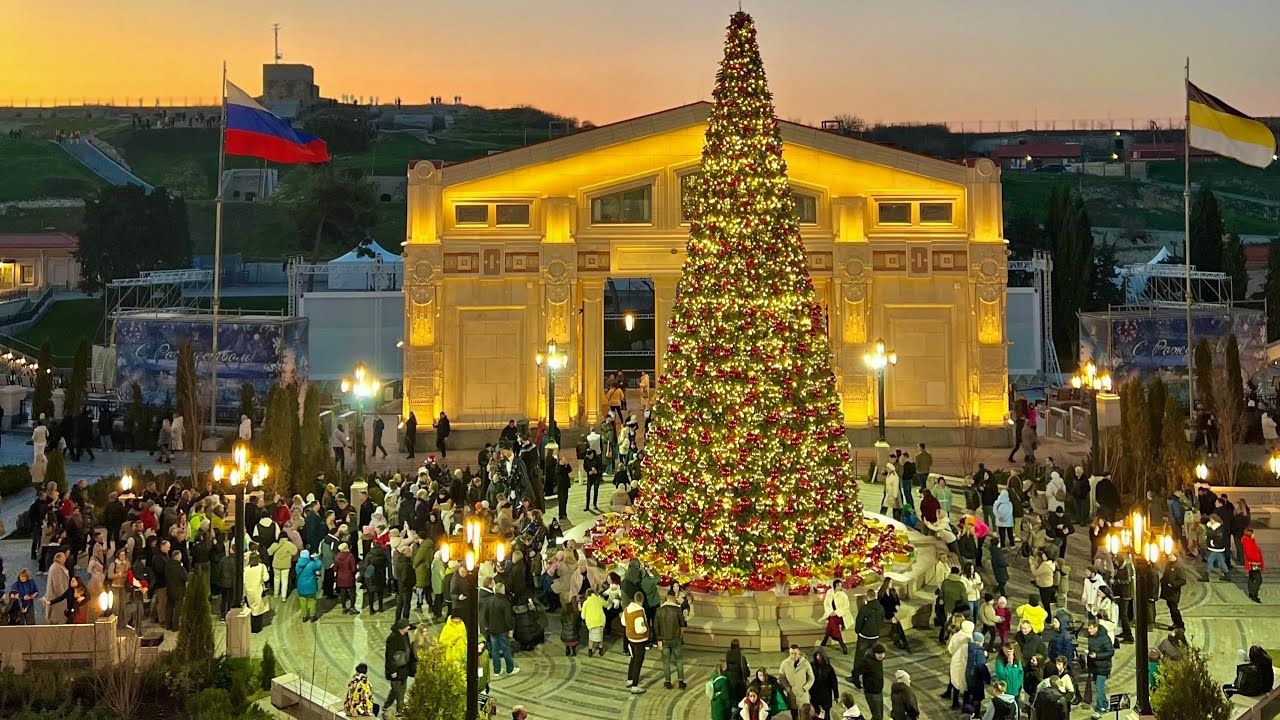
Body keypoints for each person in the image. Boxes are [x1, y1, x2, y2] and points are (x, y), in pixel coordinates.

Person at [384, 619, 416, 717]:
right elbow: (389, 656)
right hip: (396, 668)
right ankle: (399, 710)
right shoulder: (392, 638)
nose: (408, 628)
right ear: (402, 628)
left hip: (404, 667)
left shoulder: (404, 634)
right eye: (407, 626)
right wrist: (392, 670)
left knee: (398, 690)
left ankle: (387, 704)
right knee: (398, 690)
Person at [1085, 621, 1113, 719]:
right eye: (1088, 628)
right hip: (1095, 666)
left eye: (1091, 628)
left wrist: (1097, 656)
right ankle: (1104, 704)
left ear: (1096, 628)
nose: (1089, 630)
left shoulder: (1104, 638)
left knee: (1099, 687)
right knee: (1099, 687)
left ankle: (1099, 708)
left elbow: (1110, 652)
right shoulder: (1091, 637)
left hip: (1103, 667)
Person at [624, 591, 650, 693]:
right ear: (642, 600)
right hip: (639, 640)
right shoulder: (639, 612)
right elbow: (640, 629)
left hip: (630, 638)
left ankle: (630, 679)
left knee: (633, 659)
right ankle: (635, 686)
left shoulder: (627, 609)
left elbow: (623, 622)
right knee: (638, 662)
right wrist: (646, 629)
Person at [822, 578, 853, 654]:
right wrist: (830, 612)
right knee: (832, 622)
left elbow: (846, 608)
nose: (840, 587)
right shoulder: (829, 593)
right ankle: (841, 645)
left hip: (840, 615)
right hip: (831, 614)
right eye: (838, 585)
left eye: (840, 585)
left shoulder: (843, 595)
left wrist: (836, 612)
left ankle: (826, 639)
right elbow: (826, 603)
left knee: (832, 622)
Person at [855, 644, 885, 720]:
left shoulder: (879, 660)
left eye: (882, 654)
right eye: (879, 654)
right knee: (877, 716)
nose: (881, 656)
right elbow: (855, 672)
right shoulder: (866, 661)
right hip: (871, 693)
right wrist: (858, 685)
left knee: (880, 716)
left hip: (879, 691)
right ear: (874, 653)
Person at [811, 650, 840, 719]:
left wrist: (836, 695)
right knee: (816, 713)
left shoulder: (829, 668)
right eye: (817, 655)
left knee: (826, 713)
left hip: (826, 694)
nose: (818, 657)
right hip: (815, 693)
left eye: (820, 655)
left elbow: (834, 682)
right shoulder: (812, 665)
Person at [295, 550, 322, 622]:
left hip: (301, 585)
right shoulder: (311, 564)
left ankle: (304, 616)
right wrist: (316, 558)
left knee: (303, 600)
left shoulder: (297, 564)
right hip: (311, 584)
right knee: (312, 600)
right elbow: (319, 565)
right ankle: (312, 615)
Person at [726, 639, 751, 710]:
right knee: (741, 702)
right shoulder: (741, 656)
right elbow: (745, 670)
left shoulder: (728, 654)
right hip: (740, 682)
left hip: (731, 681)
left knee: (733, 700)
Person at [1242, 527, 1265, 603]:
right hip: (1254, 564)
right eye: (1253, 533)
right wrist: (1258, 559)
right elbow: (1249, 554)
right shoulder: (1249, 542)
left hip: (1252, 563)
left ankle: (1251, 592)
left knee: (1251, 578)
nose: (1254, 535)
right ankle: (1254, 594)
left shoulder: (1249, 541)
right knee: (1259, 579)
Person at [1206, 514, 1230, 580]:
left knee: (1210, 560)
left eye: (1212, 519)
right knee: (1221, 561)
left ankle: (1206, 575)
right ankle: (1227, 574)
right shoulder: (1215, 527)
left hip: (1216, 547)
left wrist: (1212, 543)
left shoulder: (1217, 528)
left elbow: (1214, 536)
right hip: (1217, 547)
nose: (1211, 521)